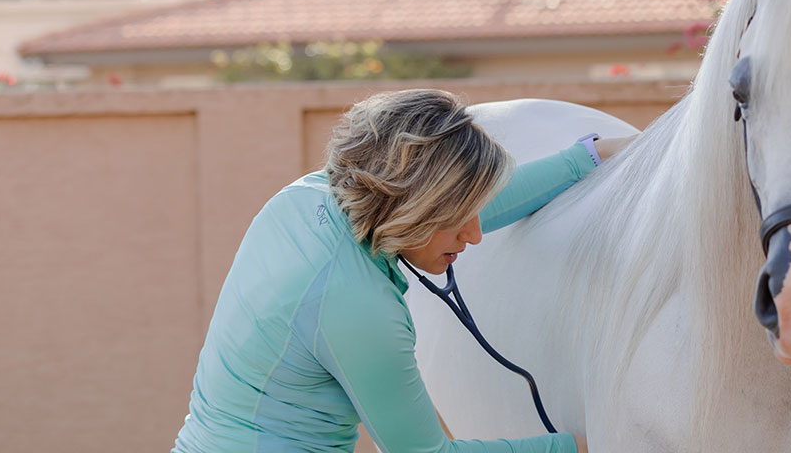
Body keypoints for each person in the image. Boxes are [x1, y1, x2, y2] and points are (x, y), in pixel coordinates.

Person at [172, 88, 630, 452]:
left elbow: (463, 212)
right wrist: (579, 448)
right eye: (458, 218)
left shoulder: (306, 198)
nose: (473, 236)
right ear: (418, 209)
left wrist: (590, 156)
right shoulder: (359, 307)